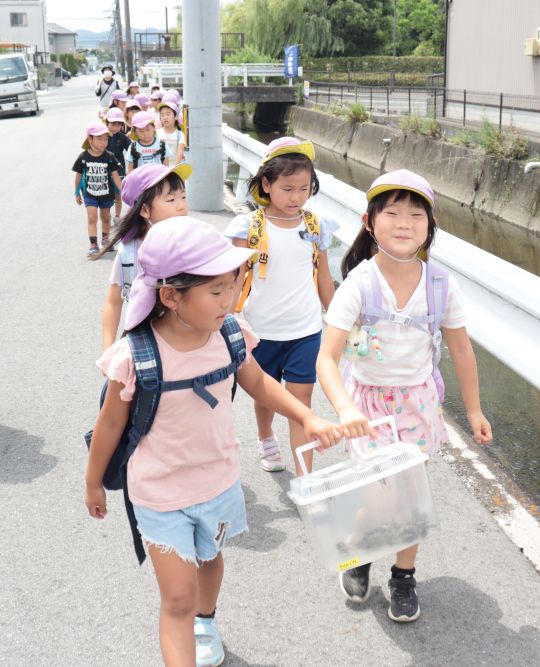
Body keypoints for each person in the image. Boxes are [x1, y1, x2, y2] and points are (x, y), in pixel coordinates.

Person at [85, 217, 343, 667]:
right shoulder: (134, 355)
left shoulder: (230, 335)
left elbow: (261, 384)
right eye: (216, 291)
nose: (231, 299)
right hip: (159, 494)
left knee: (209, 558)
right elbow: (108, 425)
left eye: (233, 285)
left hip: (220, 482)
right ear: (171, 296)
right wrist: (93, 482)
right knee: (178, 598)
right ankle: (192, 621)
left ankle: (208, 619)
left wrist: (306, 415)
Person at [316, 169, 493, 623]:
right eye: (391, 212)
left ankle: (403, 575)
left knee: (409, 494)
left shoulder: (440, 286)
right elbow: (327, 359)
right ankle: (359, 552)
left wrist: (473, 410)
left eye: (416, 215)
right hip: (368, 407)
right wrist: (344, 407)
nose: (404, 222)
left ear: (430, 228)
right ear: (369, 221)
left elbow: (461, 350)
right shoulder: (359, 283)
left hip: (417, 405)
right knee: (379, 494)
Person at [224, 138, 338, 474]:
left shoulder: (316, 226)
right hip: (260, 331)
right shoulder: (248, 228)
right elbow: (233, 279)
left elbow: (324, 278)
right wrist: (224, 320)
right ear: (266, 185)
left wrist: (339, 320)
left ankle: (307, 477)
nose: (297, 197)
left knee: (302, 401)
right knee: (266, 395)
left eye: (304, 189)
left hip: (306, 330)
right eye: (288, 189)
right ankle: (265, 436)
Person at [95, 163, 191, 350]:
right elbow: (113, 302)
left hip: (188, 343)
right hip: (143, 346)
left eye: (184, 197)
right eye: (171, 200)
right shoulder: (129, 255)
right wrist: (108, 348)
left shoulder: (193, 245)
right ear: (145, 210)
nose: (181, 206)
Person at [72, 121, 123, 257]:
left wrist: (122, 190)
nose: (103, 142)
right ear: (90, 139)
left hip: (106, 194)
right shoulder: (83, 157)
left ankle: (105, 239)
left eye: (106, 139)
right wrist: (77, 192)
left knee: (106, 218)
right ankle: (93, 244)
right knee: (92, 217)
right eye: (99, 139)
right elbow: (78, 175)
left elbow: (115, 175)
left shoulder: (109, 157)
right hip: (90, 194)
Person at [104, 108, 130, 214]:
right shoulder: (101, 136)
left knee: (118, 195)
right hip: (104, 170)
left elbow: (131, 150)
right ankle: (106, 214)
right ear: (107, 122)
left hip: (119, 170)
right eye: (113, 124)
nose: (116, 127)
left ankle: (117, 216)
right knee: (106, 196)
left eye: (119, 125)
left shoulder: (122, 137)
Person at [157, 100, 186, 167]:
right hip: (160, 169)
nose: (165, 117)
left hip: (174, 169)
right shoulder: (157, 133)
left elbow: (180, 152)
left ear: (176, 117)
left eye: (168, 114)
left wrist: (173, 169)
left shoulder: (180, 134)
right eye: (162, 115)